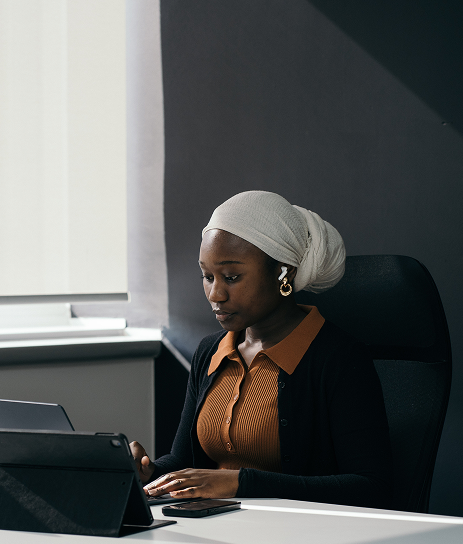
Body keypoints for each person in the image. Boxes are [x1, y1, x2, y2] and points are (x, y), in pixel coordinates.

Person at [129, 190, 393, 509]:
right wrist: (150, 474)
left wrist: (243, 483)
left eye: (231, 277)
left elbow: (372, 487)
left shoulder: (338, 358)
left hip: (301, 541)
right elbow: (184, 461)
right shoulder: (211, 352)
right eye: (207, 276)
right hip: (218, 535)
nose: (215, 294)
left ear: (285, 273)